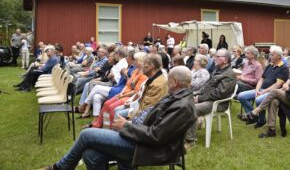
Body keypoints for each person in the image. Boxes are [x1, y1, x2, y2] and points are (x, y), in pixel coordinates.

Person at [41, 66, 196, 170]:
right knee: (91, 155)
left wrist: (126, 126)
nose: (166, 83)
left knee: (86, 135)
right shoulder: (175, 97)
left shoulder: (182, 106)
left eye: (168, 80)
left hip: (149, 147)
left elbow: (156, 136)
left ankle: (59, 168)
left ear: (175, 82)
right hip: (137, 137)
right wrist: (130, 122)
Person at [243, 52, 290, 137]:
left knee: (274, 91)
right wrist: (286, 87)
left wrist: (289, 88)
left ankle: (254, 112)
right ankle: (271, 130)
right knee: (273, 101)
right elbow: (286, 83)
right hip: (288, 96)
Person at [185, 48, 236, 149]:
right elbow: (206, 86)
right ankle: (182, 132)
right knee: (182, 104)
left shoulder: (229, 74)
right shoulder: (217, 70)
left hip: (218, 103)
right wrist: (197, 95)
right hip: (208, 100)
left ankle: (190, 141)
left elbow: (219, 93)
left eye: (217, 57)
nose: (214, 58)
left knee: (191, 109)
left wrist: (200, 98)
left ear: (225, 60)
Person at [88, 52, 148, 129]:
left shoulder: (143, 75)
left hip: (131, 97)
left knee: (112, 107)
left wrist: (122, 95)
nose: (134, 61)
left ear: (141, 61)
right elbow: (127, 85)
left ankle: (110, 129)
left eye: (136, 60)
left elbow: (136, 92)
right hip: (124, 93)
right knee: (106, 103)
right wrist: (121, 93)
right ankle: (97, 125)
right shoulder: (135, 71)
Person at [237, 45, 289, 128]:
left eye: (272, 54)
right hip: (261, 89)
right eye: (270, 54)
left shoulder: (284, 68)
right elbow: (261, 79)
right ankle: (253, 116)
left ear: (279, 56)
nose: (269, 56)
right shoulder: (270, 65)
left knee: (258, 100)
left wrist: (263, 92)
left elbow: (278, 84)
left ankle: (261, 120)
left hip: (273, 92)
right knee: (241, 96)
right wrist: (257, 90)